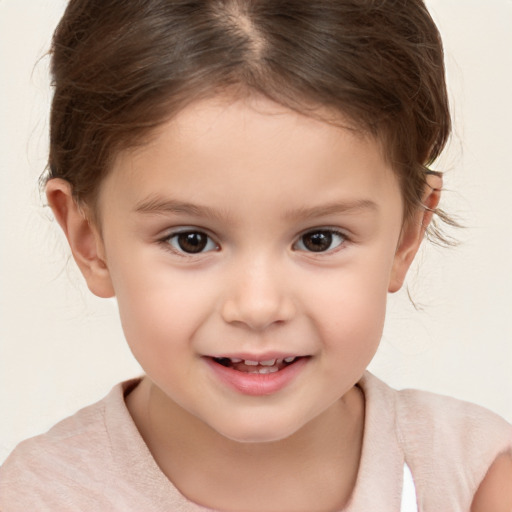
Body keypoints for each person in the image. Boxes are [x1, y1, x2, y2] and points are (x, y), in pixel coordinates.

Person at [1, 0, 511, 510]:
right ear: (89, 240)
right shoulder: (39, 498)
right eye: (191, 240)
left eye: (319, 239)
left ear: (406, 235)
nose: (259, 306)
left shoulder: (476, 478)